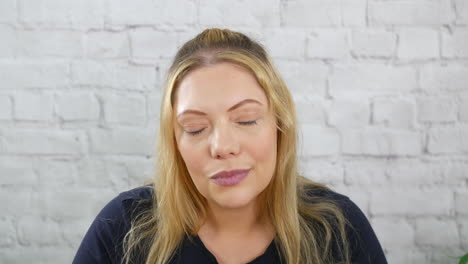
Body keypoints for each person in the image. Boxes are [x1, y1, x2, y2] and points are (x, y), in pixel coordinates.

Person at [73, 28, 387, 264]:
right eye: (195, 128)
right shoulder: (122, 228)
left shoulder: (339, 229)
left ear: (280, 126)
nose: (222, 147)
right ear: (175, 143)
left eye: (247, 119)